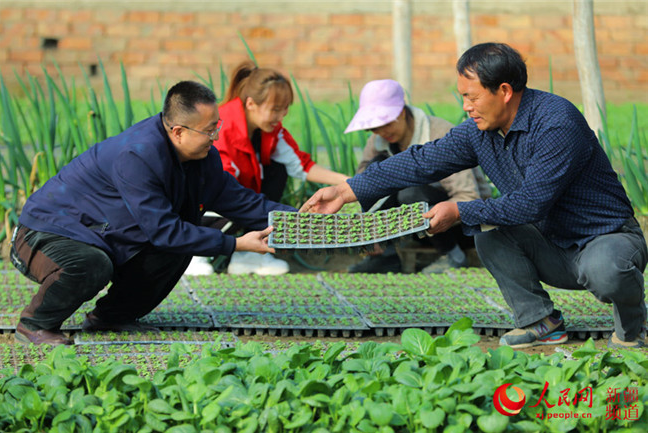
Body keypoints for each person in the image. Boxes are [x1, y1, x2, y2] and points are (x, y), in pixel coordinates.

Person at [301, 43, 647, 349]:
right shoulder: (480, 131)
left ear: (504, 91)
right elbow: (421, 161)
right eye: (463, 97)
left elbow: (531, 203)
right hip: (553, 247)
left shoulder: (556, 123)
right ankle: (541, 321)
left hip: (604, 239)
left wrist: (459, 210)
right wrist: (346, 190)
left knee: (607, 269)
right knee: (489, 232)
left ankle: (634, 326)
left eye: (472, 96)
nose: (466, 107)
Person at [10, 80, 293, 346]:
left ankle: (111, 317)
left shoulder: (202, 159)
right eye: (209, 131)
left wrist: (300, 220)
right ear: (178, 132)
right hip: (45, 234)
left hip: (101, 234)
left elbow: (245, 203)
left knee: (180, 245)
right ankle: (35, 323)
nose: (216, 137)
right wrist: (235, 244)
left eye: (216, 126)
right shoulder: (137, 155)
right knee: (93, 263)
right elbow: (164, 231)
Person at [206, 60, 348, 276]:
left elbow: (301, 165)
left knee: (278, 168)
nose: (281, 117)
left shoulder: (269, 130)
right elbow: (225, 193)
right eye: (275, 110)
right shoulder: (221, 130)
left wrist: (349, 183)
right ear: (251, 104)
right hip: (207, 205)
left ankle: (249, 253)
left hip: (239, 202)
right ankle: (194, 254)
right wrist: (296, 219)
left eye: (285, 110)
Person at [344, 79, 490, 273]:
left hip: (461, 225)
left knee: (410, 192)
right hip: (416, 226)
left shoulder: (440, 133)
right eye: (374, 127)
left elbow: (469, 196)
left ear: (402, 112)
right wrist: (368, 231)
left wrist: (439, 216)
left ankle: (453, 255)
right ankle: (386, 256)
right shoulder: (378, 140)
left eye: (386, 123)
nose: (381, 132)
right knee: (374, 172)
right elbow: (362, 185)